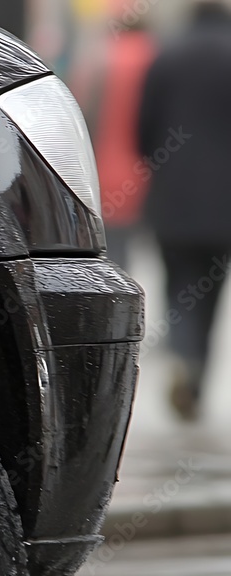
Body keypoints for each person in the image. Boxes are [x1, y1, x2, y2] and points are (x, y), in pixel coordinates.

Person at [138, 1, 231, 421]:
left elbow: (144, 130)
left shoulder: (167, 54)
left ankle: (182, 352)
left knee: (179, 285)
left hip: (174, 196)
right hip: (224, 204)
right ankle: (196, 376)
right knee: (212, 291)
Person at [90, 15, 157, 272]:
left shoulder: (102, 57)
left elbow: (86, 115)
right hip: (146, 173)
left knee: (111, 251)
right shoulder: (155, 55)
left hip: (105, 171)